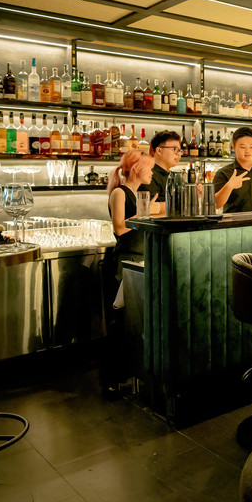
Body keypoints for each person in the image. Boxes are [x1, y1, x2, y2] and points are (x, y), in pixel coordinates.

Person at [100, 148, 155, 399]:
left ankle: (131, 376)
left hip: (139, 259)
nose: (152, 172)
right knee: (118, 325)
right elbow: (120, 228)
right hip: (123, 262)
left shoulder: (139, 194)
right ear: (136, 168)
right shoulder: (119, 193)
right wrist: (144, 216)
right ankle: (111, 382)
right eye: (149, 168)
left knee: (133, 323)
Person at [141, 130, 182, 212]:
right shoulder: (148, 175)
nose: (179, 154)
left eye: (180, 151)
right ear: (159, 151)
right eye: (175, 149)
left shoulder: (173, 176)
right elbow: (149, 207)